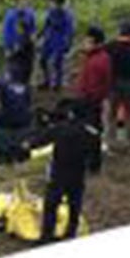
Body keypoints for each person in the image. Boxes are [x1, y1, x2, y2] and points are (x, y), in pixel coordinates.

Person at [40, 98, 102, 244]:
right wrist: (94, 168)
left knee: (51, 204)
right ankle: (70, 233)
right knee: (74, 205)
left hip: (58, 172)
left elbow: (41, 140)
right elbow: (96, 156)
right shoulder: (92, 133)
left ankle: (46, 235)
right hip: (77, 173)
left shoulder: (60, 128)